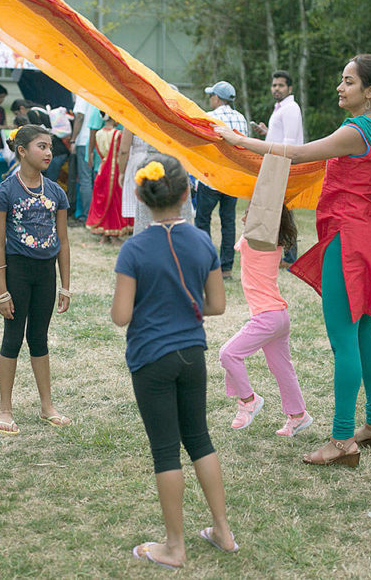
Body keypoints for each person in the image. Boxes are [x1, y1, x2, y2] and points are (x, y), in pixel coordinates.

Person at [216, 53, 371, 468]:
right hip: (370, 239)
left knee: (344, 339)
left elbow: (297, 152)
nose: (340, 88)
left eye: (348, 82)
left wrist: (238, 141)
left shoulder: (358, 129)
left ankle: (342, 439)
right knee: (363, 334)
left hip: (350, 243)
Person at [110, 155, 236, 569]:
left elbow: (121, 316)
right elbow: (216, 304)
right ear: (187, 195)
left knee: (166, 451)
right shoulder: (202, 240)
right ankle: (222, 530)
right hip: (192, 355)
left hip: (151, 359)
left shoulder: (134, 249)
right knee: (199, 439)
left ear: (141, 198)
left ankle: (175, 547)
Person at [0, 124, 72, 435]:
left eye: (50, 146)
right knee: (13, 338)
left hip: (45, 274)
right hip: (17, 272)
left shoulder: (56, 192)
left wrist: (65, 284)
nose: (49, 152)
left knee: (39, 338)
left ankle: (47, 406)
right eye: (41, 146)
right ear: (22, 151)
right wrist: (2, 292)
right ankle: (5, 409)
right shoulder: (5, 192)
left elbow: (63, 241)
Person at [219, 206, 311, 436]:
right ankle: (298, 415)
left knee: (228, 354)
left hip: (267, 318)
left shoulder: (255, 241)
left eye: (249, 213)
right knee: (282, 368)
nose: (243, 217)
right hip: (279, 316)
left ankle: (248, 401)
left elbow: (239, 241)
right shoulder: (274, 243)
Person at [195, 81, 247, 280]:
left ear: (217, 98)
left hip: (211, 177)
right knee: (228, 222)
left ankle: (206, 266)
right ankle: (226, 268)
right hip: (233, 179)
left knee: (202, 221)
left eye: (211, 96)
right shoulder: (241, 118)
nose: (210, 99)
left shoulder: (210, 117)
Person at [251, 70, 304, 267]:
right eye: (274, 85)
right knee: (279, 211)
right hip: (275, 164)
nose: (276, 88)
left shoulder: (290, 108)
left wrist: (281, 169)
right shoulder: (280, 108)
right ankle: (282, 254)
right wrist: (267, 132)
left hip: (283, 166)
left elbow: (290, 142)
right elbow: (281, 137)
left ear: (289, 88)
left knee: (285, 211)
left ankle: (290, 258)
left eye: (281, 85)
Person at [85, 116, 132, 242]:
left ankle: (105, 235)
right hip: (114, 169)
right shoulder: (117, 134)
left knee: (104, 198)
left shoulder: (98, 133)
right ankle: (113, 233)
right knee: (113, 200)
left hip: (102, 167)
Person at [69, 95, 100, 221]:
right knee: (96, 179)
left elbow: (80, 117)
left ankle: (87, 216)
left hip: (84, 141)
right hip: (99, 140)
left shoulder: (83, 93)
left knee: (85, 180)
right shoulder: (98, 91)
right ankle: (97, 214)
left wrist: (73, 139)